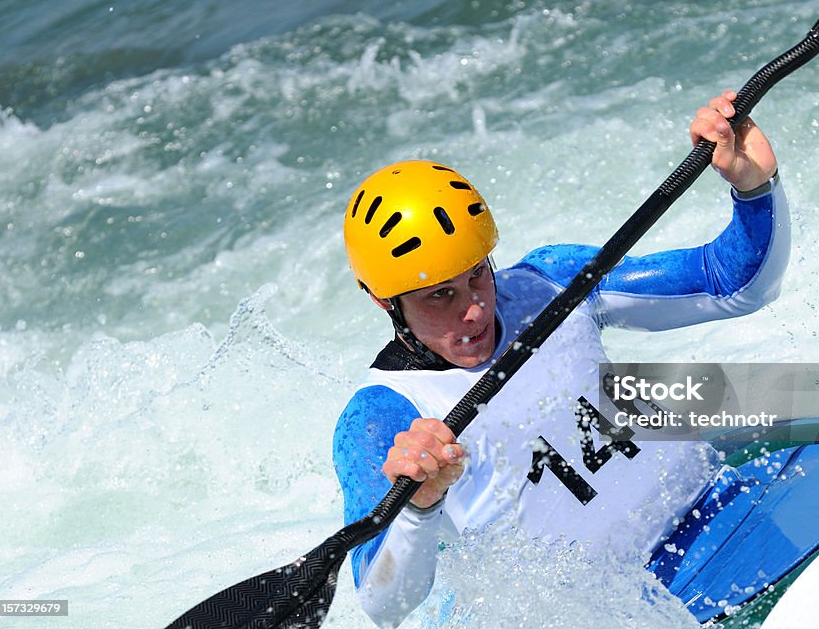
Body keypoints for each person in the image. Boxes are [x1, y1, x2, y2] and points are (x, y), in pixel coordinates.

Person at [332, 91, 788, 627]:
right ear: (385, 300)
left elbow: (732, 285)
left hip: (720, 513)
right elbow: (384, 605)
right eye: (439, 296)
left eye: (477, 274)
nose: (475, 311)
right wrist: (421, 502)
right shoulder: (381, 417)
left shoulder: (551, 283)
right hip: (618, 616)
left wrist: (754, 188)